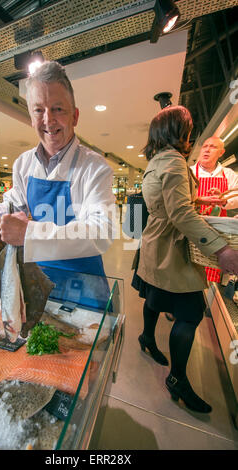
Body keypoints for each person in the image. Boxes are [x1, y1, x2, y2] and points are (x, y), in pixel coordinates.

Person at [0, 60, 115, 308]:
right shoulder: (23, 164)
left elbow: (102, 232)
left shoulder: (94, 168)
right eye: (39, 110)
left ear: (74, 116)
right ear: (30, 117)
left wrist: (30, 233)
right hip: (35, 284)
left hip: (84, 288)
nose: (48, 120)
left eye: (58, 109)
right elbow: (13, 206)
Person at [135, 105, 238, 414]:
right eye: (190, 132)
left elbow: (166, 203)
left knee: (152, 296)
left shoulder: (155, 162)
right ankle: (177, 378)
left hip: (153, 243)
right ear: (179, 133)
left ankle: (146, 337)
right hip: (171, 248)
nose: (192, 139)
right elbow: (180, 214)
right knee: (191, 313)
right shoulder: (178, 164)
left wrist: (198, 198)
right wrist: (221, 249)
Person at [191, 136, 238, 283]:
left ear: (221, 152)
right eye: (205, 146)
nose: (207, 150)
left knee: (214, 267)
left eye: (213, 147)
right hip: (194, 228)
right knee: (194, 267)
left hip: (219, 230)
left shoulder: (228, 174)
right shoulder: (190, 172)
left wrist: (224, 200)